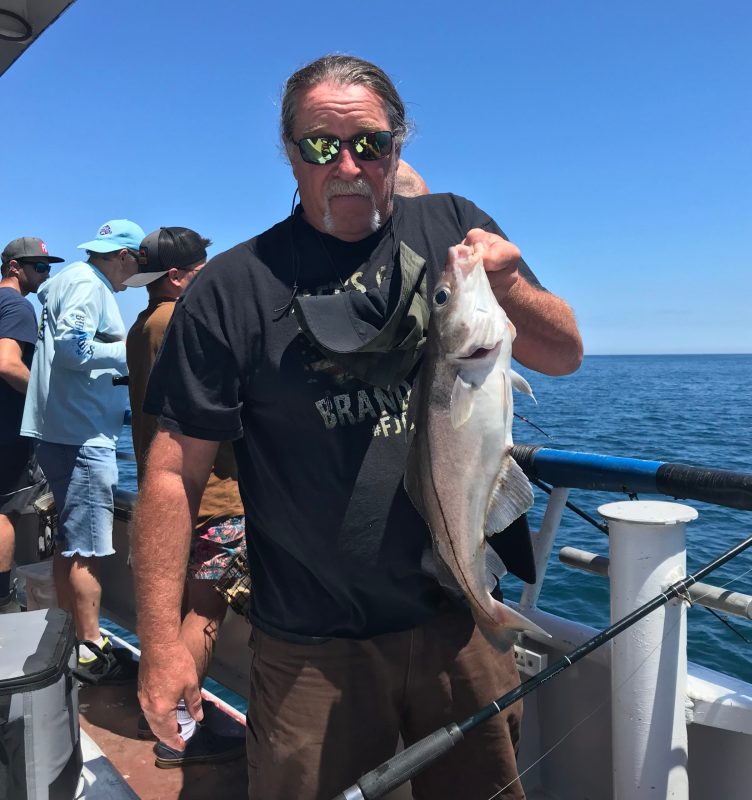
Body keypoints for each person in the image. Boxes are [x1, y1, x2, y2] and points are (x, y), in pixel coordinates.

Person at [133, 54, 583, 800]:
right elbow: (173, 472)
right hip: (310, 644)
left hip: (457, 628)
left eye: (369, 142)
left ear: (398, 145)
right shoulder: (230, 290)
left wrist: (505, 285)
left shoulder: (454, 232)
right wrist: (159, 644)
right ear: (289, 152)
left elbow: (562, 351)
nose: (347, 163)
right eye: (320, 145)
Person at [124, 226, 245, 767]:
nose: (207, 276)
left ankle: (171, 717)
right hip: (214, 499)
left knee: (177, 611)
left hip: (170, 501)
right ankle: (180, 735)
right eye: (200, 269)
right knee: (203, 613)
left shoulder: (141, 325)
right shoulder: (181, 321)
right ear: (176, 276)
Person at [21, 219, 144, 682]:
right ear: (124, 256)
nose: (134, 277)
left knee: (71, 545)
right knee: (86, 550)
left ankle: (68, 635)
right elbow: (75, 352)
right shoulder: (90, 288)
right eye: (137, 264)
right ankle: (89, 648)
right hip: (82, 436)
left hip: (63, 429)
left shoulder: (67, 282)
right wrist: (128, 351)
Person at [0, 237, 64, 613]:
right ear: (14, 268)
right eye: (38, 266)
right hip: (7, 433)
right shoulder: (18, 305)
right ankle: (4, 603)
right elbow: (7, 362)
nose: (46, 272)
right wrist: (48, 401)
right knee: (4, 511)